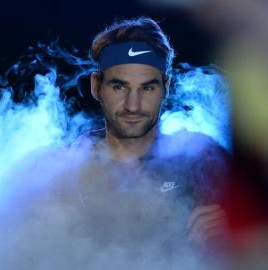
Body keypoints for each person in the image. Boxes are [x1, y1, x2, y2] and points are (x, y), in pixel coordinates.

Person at [83, 17, 230, 251]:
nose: (133, 105)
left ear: (166, 87)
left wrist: (230, 238)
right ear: (95, 86)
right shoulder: (63, 168)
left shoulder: (204, 160)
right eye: (119, 86)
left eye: (147, 88)